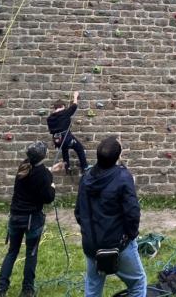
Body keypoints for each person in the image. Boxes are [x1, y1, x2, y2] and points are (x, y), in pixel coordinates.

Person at [75, 136, 146, 297]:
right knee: (137, 283)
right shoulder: (123, 177)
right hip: (118, 244)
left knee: (93, 288)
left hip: (92, 244)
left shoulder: (85, 177)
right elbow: (132, 212)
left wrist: (89, 234)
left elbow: (78, 212)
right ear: (117, 157)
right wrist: (130, 236)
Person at [0, 142, 56, 297]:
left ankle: (1, 289)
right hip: (32, 219)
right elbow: (48, 198)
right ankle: (27, 290)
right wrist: (53, 185)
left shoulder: (24, 166)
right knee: (31, 254)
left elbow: (36, 176)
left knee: (12, 252)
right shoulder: (43, 174)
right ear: (44, 155)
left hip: (15, 217)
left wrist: (50, 172)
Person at [46, 91, 89, 175]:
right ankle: (84, 167)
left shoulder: (49, 118)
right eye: (64, 107)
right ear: (62, 106)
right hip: (66, 138)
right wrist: (75, 96)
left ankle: (67, 167)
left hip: (57, 140)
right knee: (80, 148)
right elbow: (74, 106)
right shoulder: (64, 113)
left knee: (64, 150)